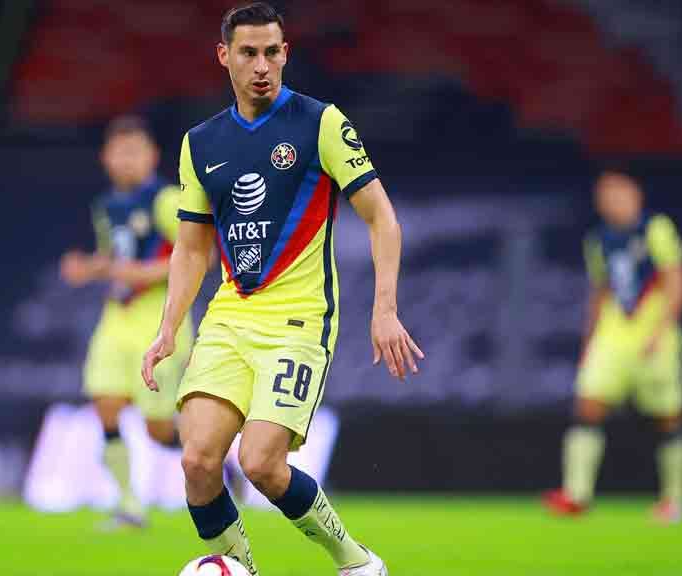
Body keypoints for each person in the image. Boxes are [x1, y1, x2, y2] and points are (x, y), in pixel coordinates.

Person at [141, 4, 423, 575]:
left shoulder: (320, 123)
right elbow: (192, 247)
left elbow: (382, 218)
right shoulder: (200, 143)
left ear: (286, 53)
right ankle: (238, 568)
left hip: (298, 323)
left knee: (262, 463)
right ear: (225, 56)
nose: (262, 65)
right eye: (248, 53)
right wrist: (168, 328)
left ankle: (357, 562)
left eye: (272, 52)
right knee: (197, 460)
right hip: (227, 319)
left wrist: (385, 309)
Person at [60, 116, 193, 529]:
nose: (127, 160)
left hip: (160, 323)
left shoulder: (168, 200)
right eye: (119, 151)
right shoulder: (106, 206)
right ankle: (129, 504)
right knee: (105, 404)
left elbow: (192, 257)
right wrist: (89, 267)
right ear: (106, 157)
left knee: (157, 429)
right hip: (116, 320)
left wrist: (128, 273)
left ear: (152, 156)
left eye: (135, 151)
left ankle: (221, 463)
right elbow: (115, 258)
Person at [544, 168, 682, 524]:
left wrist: (661, 330)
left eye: (619, 193)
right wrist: (589, 338)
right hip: (612, 338)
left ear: (635, 195)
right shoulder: (598, 240)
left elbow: (676, 280)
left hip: (653, 338)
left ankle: (674, 500)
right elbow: (600, 292)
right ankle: (576, 494)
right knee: (587, 405)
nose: (612, 200)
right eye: (605, 195)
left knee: (668, 417)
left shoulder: (655, 229)